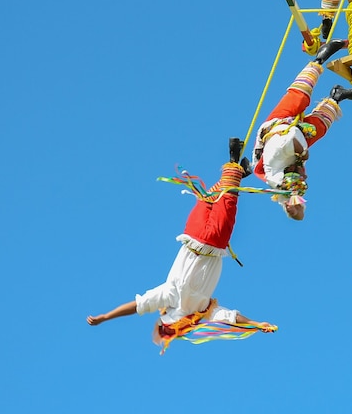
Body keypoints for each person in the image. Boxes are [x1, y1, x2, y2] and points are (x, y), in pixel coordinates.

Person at [87, 137, 276, 353]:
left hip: (203, 239)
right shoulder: (199, 308)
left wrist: (105, 317)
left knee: (217, 199)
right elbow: (231, 318)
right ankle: (235, 167)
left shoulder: (175, 298)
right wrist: (257, 324)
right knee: (212, 199)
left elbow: (137, 306)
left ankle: (237, 170)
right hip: (201, 238)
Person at [249, 39, 352, 220]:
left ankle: (320, 58)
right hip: (296, 135)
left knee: (299, 96)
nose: (305, 175)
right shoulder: (290, 168)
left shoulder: (276, 163)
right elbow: (291, 197)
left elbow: (292, 139)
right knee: (319, 128)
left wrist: (302, 153)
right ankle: (336, 97)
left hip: (276, 125)